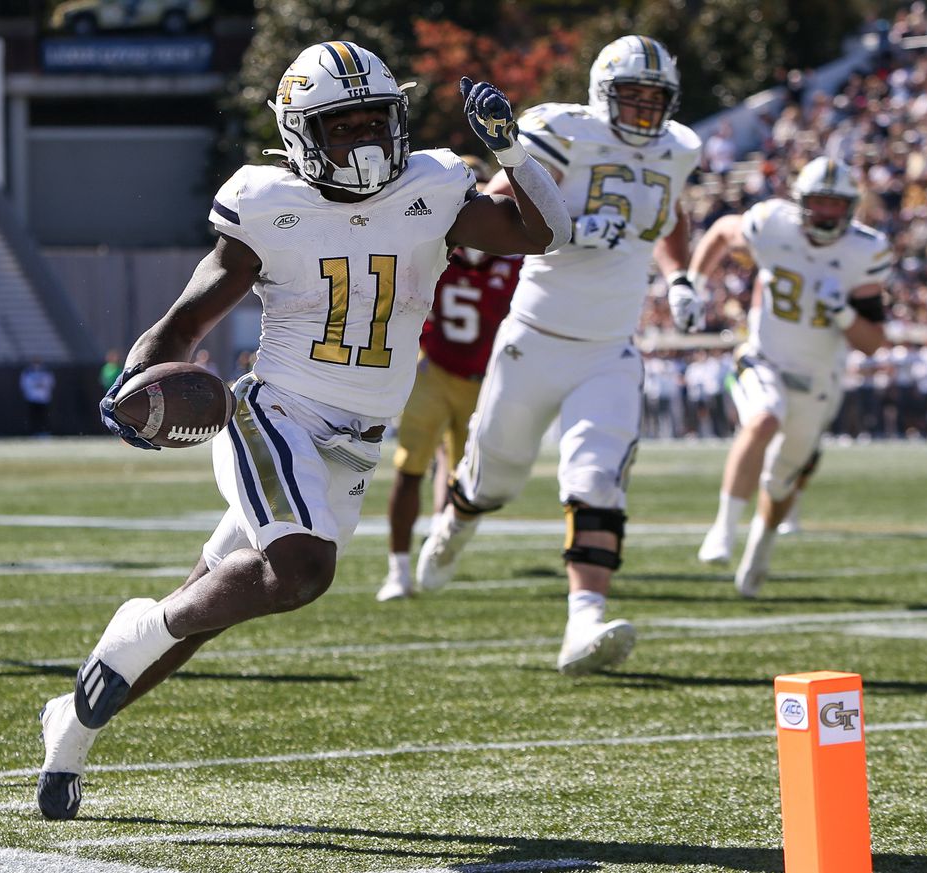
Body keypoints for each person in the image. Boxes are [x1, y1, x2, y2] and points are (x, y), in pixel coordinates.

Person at [35, 40, 571, 820]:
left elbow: (543, 234)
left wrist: (512, 150)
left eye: (372, 121)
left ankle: (73, 726)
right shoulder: (266, 204)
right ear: (299, 134)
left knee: (206, 609)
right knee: (299, 571)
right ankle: (137, 626)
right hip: (276, 411)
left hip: (359, 435)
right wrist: (133, 386)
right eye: (341, 125)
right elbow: (186, 319)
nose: (361, 140)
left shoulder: (435, 183)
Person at [412, 35, 704, 677]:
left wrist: (680, 277)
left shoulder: (680, 148)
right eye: (630, 95)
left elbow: (672, 212)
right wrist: (568, 227)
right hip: (536, 338)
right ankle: (455, 523)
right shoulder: (560, 130)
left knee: (597, 479)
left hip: (610, 347)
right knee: (495, 480)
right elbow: (496, 204)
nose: (642, 110)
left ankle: (584, 624)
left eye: (654, 98)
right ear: (603, 94)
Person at [693, 156, 890, 596]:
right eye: (818, 201)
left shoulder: (865, 250)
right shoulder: (772, 223)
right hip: (764, 356)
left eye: (835, 204)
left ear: (850, 207)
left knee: (782, 480)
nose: (825, 212)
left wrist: (841, 313)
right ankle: (723, 530)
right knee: (764, 419)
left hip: (820, 378)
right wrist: (692, 281)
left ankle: (759, 548)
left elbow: (873, 341)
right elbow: (724, 231)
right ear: (801, 201)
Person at [376, 156, 522, 602]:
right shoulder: (432, 249)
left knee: (469, 480)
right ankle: (397, 569)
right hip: (433, 369)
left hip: (484, 380)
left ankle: (436, 547)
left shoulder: (514, 258)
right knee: (410, 468)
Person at [19, 361, 55, 436]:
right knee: (33, 417)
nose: (37, 366)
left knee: (44, 417)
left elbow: (51, 383)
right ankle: (33, 432)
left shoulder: (46, 373)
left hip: (43, 399)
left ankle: (44, 432)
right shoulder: (28, 373)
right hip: (32, 399)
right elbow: (24, 384)